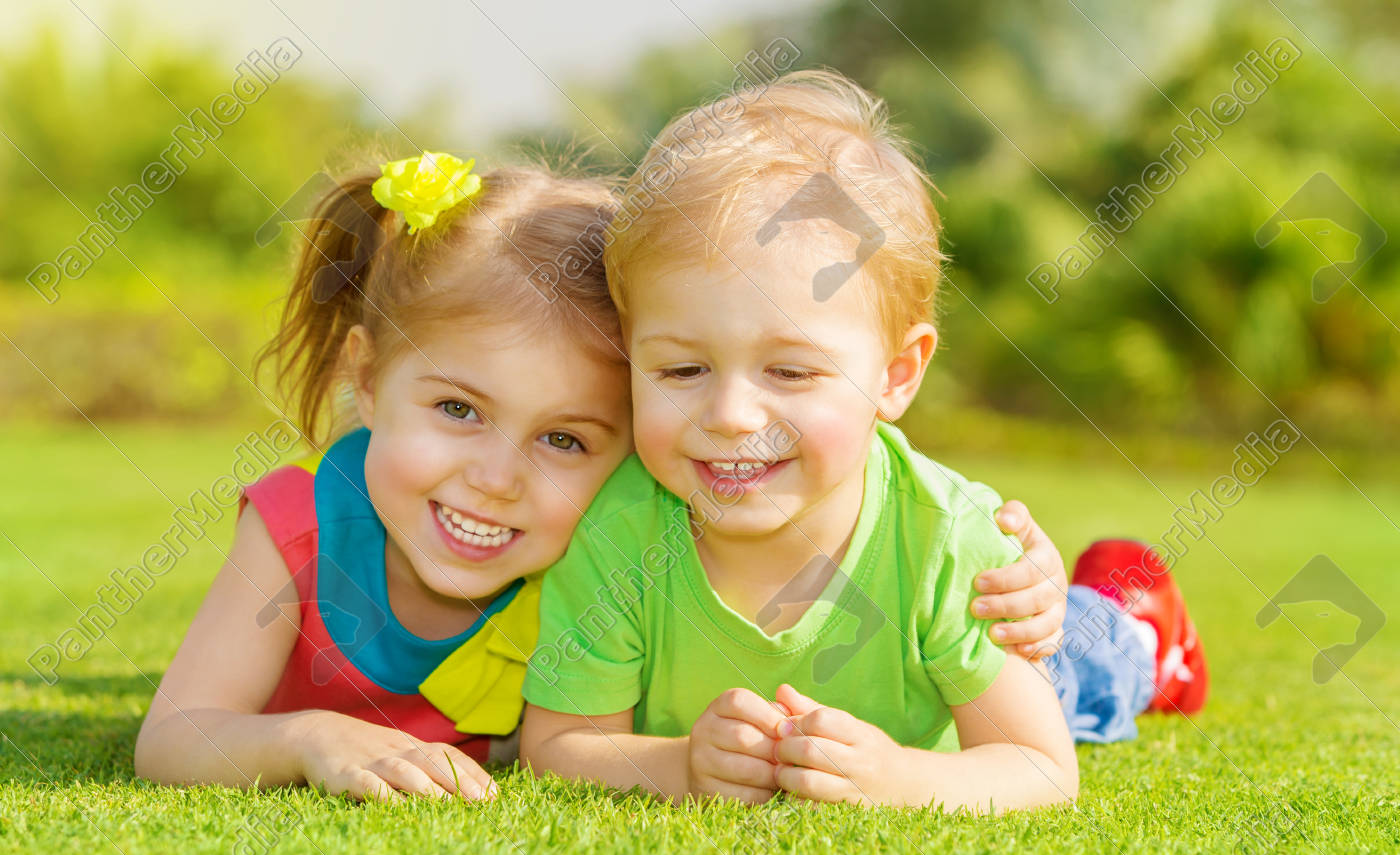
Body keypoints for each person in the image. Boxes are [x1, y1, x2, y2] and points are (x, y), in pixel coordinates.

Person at [134, 149, 1068, 803]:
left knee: (1095, 669)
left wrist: (1028, 568)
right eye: (458, 409)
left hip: (980, 662)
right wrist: (306, 740)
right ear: (369, 380)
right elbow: (174, 736)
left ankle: (1123, 613)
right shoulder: (300, 527)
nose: (495, 479)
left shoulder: (609, 526)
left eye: (567, 440)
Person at [519, 71, 1209, 813]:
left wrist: (898, 779)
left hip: (1011, 680)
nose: (729, 415)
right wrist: (681, 765)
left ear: (896, 374)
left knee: (1089, 672)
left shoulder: (947, 541)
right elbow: (557, 746)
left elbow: (1040, 768)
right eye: (682, 368)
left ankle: (1136, 615)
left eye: (789, 370)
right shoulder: (620, 532)